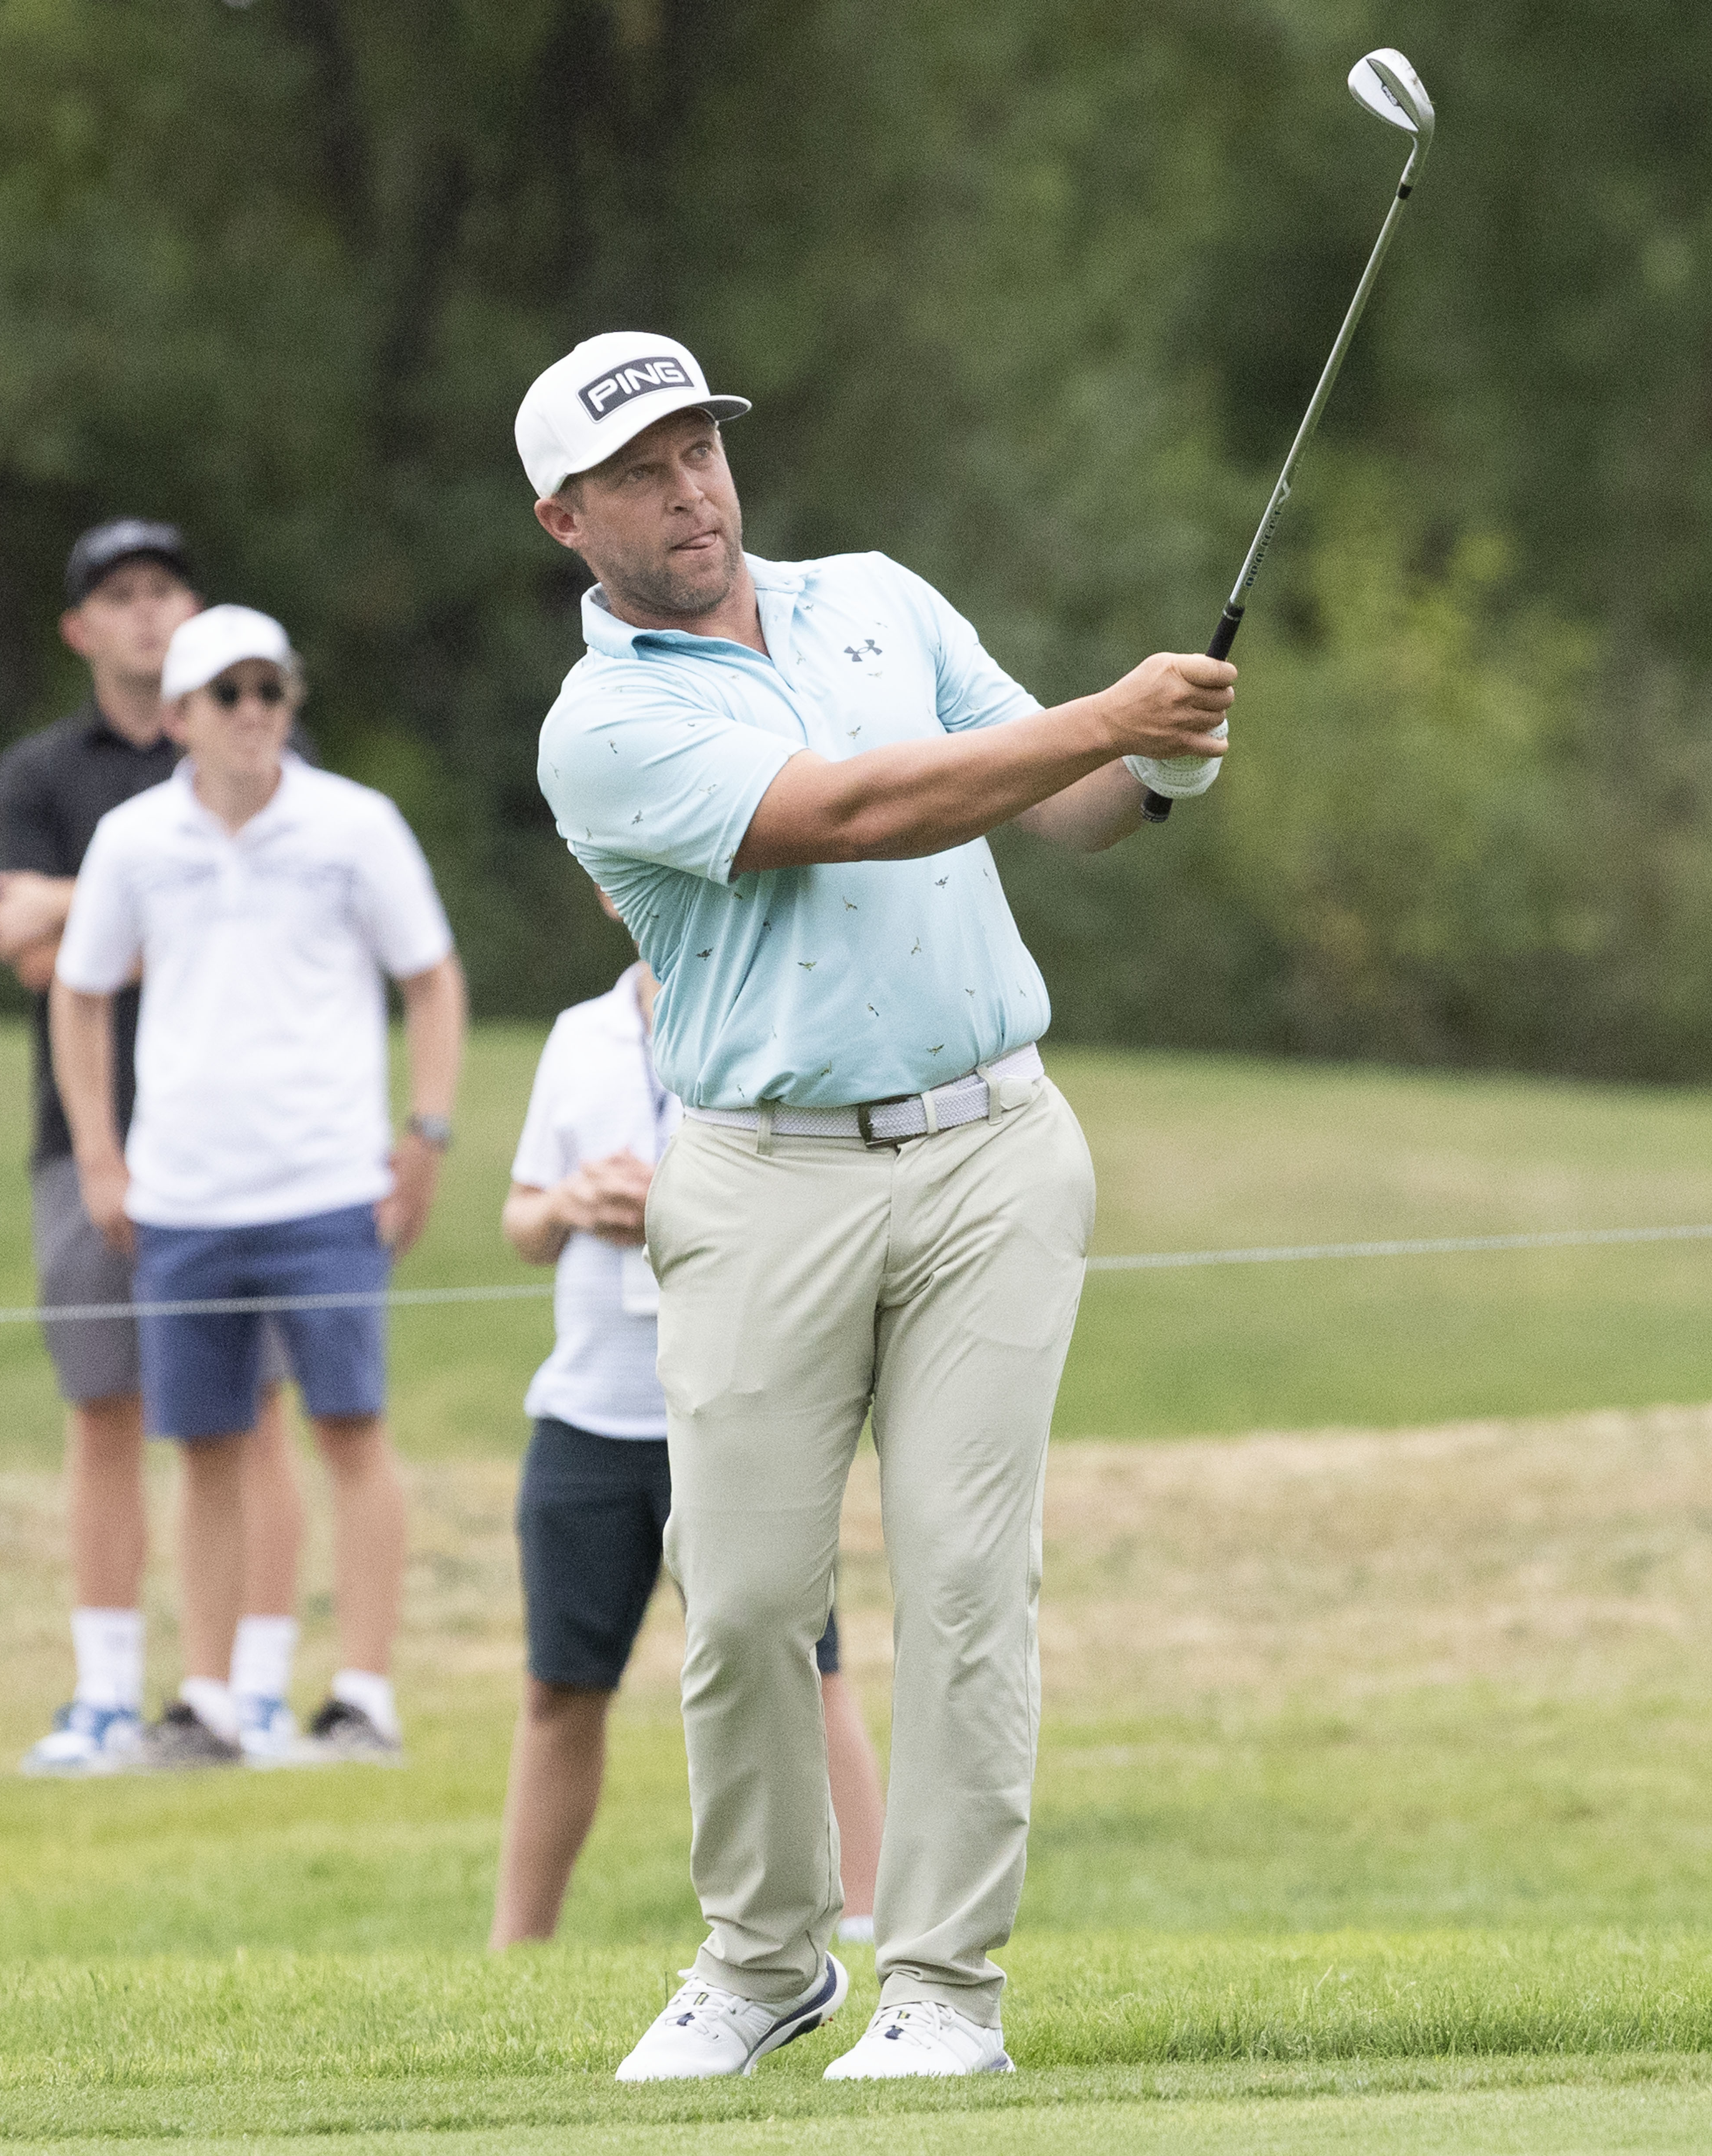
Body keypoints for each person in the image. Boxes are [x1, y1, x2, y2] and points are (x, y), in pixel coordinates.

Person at [518, 333, 1232, 2080]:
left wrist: (1166, 757)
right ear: (565, 519)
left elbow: (1059, 803)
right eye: (641, 471)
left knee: (968, 1577)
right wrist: (1104, 716)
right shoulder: (603, 725)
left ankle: (941, 1990)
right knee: (750, 1597)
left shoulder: (873, 604)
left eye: (700, 447)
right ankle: (765, 1959)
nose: (690, 488)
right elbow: (853, 813)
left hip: (991, 1151)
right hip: (765, 1177)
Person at [50, 603, 467, 1764]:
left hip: (329, 1181)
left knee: (349, 1428)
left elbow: (431, 978)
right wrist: (99, 1150)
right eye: (227, 693)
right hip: (184, 1193)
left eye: (270, 691)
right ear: (179, 715)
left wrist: (424, 1131)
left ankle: (366, 1694)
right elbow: (77, 990)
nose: (252, 714)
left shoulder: (354, 825)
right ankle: (212, 1698)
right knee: (207, 1443)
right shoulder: (135, 840)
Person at [491, 902, 885, 1951]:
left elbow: (814, 1208)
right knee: (558, 1687)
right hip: (586, 1414)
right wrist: (572, 1204)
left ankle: (872, 1922)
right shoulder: (578, 1036)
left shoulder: (778, 1022)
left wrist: (669, 1203)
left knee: (804, 1662)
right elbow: (521, 1221)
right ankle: (513, 1951)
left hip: (734, 1406)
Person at [0, 520, 304, 1772]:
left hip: (244, 1143)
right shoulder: (39, 773)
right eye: (118, 596)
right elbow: (26, 950)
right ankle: (108, 1685)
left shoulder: (260, 728)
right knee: (104, 1404)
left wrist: (98, 903)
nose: (147, 613)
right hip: (88, 1136)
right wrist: (158, 894)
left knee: (253, 1414)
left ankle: (257, 1687)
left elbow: (281, 916)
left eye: (165, 588)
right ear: (80, 628)